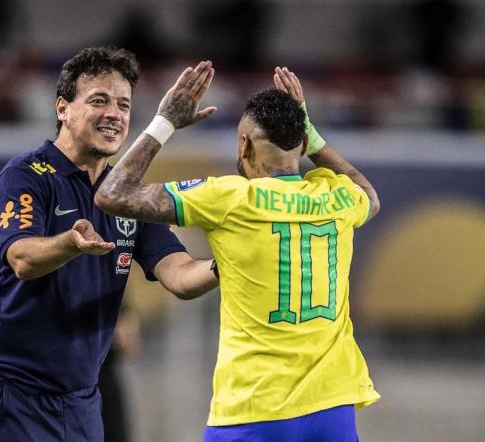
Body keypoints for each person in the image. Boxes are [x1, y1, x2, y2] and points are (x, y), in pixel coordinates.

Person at [95, 61, 381, 441]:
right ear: (301, 144)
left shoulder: (230, 197)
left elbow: (113, 194)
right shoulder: (335, 196)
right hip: (332, 409)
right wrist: (313, 138)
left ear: (243, 144)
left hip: (252, 408)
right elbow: (370, 198)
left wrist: (165, 122)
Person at [0, 47, 218, 442]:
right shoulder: (26, 176)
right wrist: (71, 243)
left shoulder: (127, 199)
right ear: (63, 108)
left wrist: (229, 264)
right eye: (99, 100)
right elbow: (22, 258)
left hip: (80, 397)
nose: (115, 114)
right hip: (6, 387)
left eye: (124, 105)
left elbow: (179, 276)